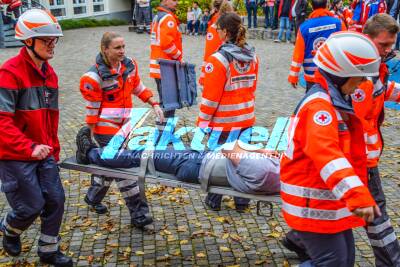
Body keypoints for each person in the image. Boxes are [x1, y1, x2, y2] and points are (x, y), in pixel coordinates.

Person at [280, 31, 382, 266]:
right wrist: (358, 196)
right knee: (333, 262)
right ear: (341, 74)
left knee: (342, 260)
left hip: (325, 202)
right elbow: (328, 156)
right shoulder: (320, 107)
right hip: (312, 204)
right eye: (360, 77)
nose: (364, 83)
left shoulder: (331, 100)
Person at [0, 9, 72, 266]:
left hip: (44, 153)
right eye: (46, 40)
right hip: (15, 154)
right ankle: (9, 228)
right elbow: (1, 122)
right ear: (28, 41)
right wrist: (29, 147)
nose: (52, 45)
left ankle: (48, 251)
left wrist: (53, 148)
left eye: (54, 39)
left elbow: (50, 118)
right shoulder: (9, 73)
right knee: (30, 207)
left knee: (56, 199)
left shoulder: (50, 74)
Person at [79, 32, 164, 228]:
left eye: (123, 47)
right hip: (105, 128)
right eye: (117, 48)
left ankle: (92, 197)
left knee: (108, 168)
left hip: (125, 126)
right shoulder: (94, 77)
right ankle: (139, 215)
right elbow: (92, 110)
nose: (122, 51)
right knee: (124, 169)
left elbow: (138, 87)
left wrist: (154, 103)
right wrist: (89, 136)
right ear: (105, 49)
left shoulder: (129, 65)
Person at [75, 127, 281, 197]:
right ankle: (100, 154)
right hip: (202, 162)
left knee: (141, 155)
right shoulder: (277, 175)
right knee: (153, 150)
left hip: (196, 166)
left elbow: (229, 147)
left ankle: (91, 154)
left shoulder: (264, 169)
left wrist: (261, 150)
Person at [351, 14, 400, 266]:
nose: (389, 50)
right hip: (361, 159)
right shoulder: (360, 75)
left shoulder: (374, 65)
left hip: (365, 157)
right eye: (384, 45)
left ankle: (298, 239)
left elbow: (384, 90)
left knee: (335, 205)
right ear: (367, 39)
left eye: (391, 44)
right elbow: (354, 122)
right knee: (377, 213)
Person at [197, 12, 259, 211]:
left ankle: (214, 200)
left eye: (217, 30)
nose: (216, 34)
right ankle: (242, 201)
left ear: (224, 32)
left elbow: (210, 100)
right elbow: (252, 87)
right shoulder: (252, 55)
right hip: (246, 118)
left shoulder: (218, 59)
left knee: (220, 164)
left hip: (224, 122)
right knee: (244, 163)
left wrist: (202, 124)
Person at [288, 0, 344, 91]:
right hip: (333, 74)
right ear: (326, 5)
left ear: (312, 7)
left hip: (311, 76)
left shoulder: (304, 27)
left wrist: (293, 76)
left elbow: (298, 54)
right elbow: (345, 47)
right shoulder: (338, 23)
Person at [149, 0, 182, 120]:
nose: (177, 2)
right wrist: (178, 56)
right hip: (166, 67)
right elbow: (167, 44)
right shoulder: (167, 18)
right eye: (174, 0)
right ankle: (165, 133)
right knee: (169, 103)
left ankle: (163, 130)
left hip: (158, 66)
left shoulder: (158, 16)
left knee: (165, 101)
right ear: (165, 1)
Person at [199, 0, 234, 86]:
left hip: (219, 65)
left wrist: (204, 77)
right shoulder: (234, 22)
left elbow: (210, 52)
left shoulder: (216, 24)